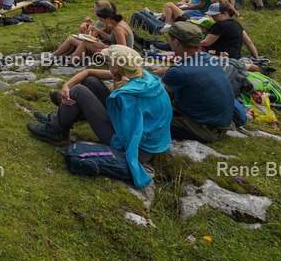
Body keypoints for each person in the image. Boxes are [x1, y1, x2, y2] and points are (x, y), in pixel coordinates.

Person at [27, 45, 172, 188]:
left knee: (78, 91)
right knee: (90, 81)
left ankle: (54, 129)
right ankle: (62, 118)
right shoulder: (142, 76)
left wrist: (131, 159)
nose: (106, 63)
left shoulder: (127, 96)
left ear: (115, 66)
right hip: (150, 142)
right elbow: (89, 72)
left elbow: (129, 135)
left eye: (108, 61)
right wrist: (67, 85)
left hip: (136, 147)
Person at [152, 21, 236, 143]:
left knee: (143, 118)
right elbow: (186, 71)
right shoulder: (207, 58)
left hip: (204, 130)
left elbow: (152, 91)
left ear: (176, 42)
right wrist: (160, 71)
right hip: (220, 124)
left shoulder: (181, 72)